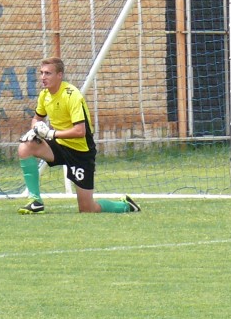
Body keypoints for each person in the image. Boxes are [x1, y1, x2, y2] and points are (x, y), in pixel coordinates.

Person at [17, 57, 140, 215]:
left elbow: (79, 131)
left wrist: (50, 133)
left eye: (48, 73)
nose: (43, 77)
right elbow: (36, 118)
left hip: (80, 151)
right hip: (59, 145)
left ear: (59, 75)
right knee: (25, 147)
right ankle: (35, 201)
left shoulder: (72, 95)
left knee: (87, 209)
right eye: (41, 73)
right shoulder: (44, 95)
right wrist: (35, 128)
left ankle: (126, 206)